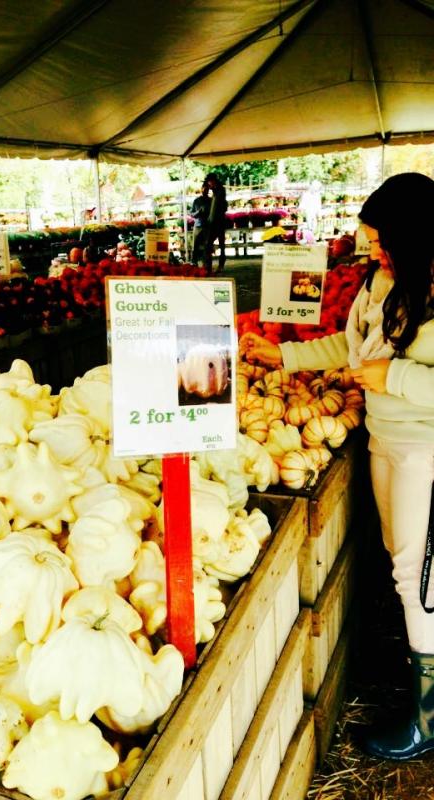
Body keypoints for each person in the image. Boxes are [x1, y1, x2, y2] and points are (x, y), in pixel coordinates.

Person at [240, 172, 434, 762]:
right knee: (403, 555)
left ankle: (428, 717)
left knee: (416, 573)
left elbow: (385, 370)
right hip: (383, 439)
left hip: (426, 449)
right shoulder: (380, 282)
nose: (372, 252)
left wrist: (395, 377)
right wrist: (286, 353)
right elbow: (350, 354)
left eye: (381, 242)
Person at [204, 172, 228, 273]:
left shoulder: (219, 190)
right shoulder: (215, 190)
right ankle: (210, 265)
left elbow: (219, 203)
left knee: (216, 244)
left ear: (213, 181)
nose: (209, 185)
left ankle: (217, 264)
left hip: (218, 221)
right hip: (215, 221)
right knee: (213, 244)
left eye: (210, 182)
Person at [190, 182, 210, 266]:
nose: (205, 190)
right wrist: (199, 211)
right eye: (204, 188)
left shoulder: (210, 200)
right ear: (201, 189)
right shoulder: (196, 201)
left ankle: (206, 262)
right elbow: (191, 214)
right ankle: (194, 261)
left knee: (207, 246)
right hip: (198, 225)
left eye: (207, 189)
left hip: (207, 226)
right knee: (195, 245)